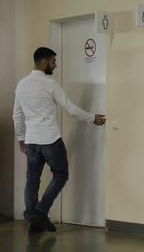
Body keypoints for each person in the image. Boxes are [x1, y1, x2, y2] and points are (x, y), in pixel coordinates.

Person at [13, 47, 106, 234]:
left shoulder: (22, 84)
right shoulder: (50, 83)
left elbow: (17, 114)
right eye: (53, 61)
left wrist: (21, 137)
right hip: (50, 139)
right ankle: (40, 212)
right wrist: (92, 118)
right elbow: (70, 109)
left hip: (31, 141)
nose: (55, 65)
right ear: (44, 62)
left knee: (32, 180)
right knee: (61, 175)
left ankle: (34, 220)